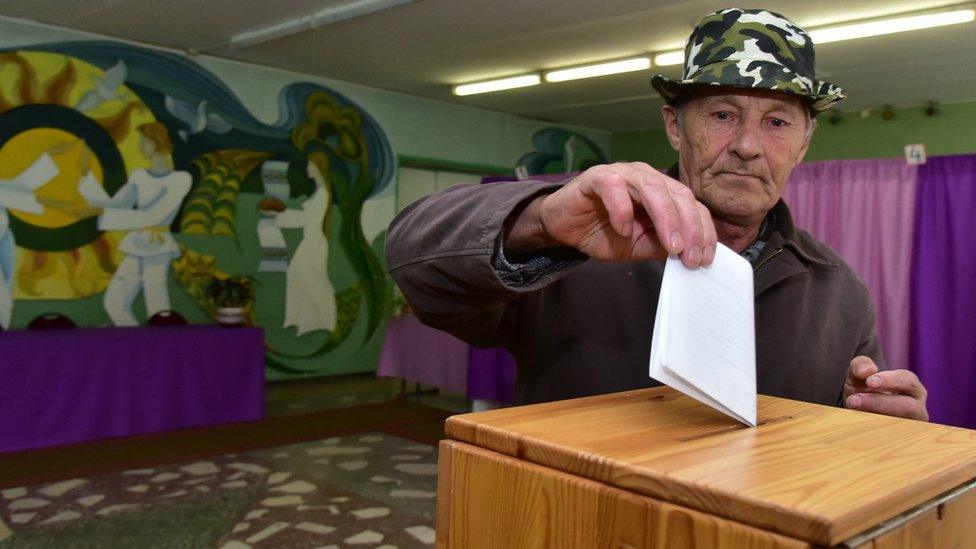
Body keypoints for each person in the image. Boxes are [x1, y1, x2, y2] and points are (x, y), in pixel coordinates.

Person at [386, 8, 929, 421]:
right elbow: (413, 260)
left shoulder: (839, 291)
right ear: (674, 126)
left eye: (778, 123)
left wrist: (880, 420)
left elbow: (847, 431)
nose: (746, 145)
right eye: (722, 114)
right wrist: (542, 221)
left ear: (804, 144)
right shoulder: (577, 243)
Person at [76, 122, 192, 326]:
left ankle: (160, 350)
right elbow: (116, 205)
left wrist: (102, 212)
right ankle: (135, 343)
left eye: (144, 141)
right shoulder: (139, 175)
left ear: (157, 143)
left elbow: (153, 216)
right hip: (137, 245)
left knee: (157, 308)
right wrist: (86, 177)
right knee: (114, 302)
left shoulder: (180, 180)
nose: (140, 146)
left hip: (158, 246)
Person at [263, 152, 337, 336]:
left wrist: (278, 216)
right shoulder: (318, 192)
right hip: (311, 241)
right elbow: (305, 218)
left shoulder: (322, 194)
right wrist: (280, 215)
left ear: (318, 167)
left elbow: (305, 219)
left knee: (310, 279)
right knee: (298, 276)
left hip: (314, 243)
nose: (307, 169)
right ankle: (303, 321)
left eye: (310, 165)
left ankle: (324, 319)